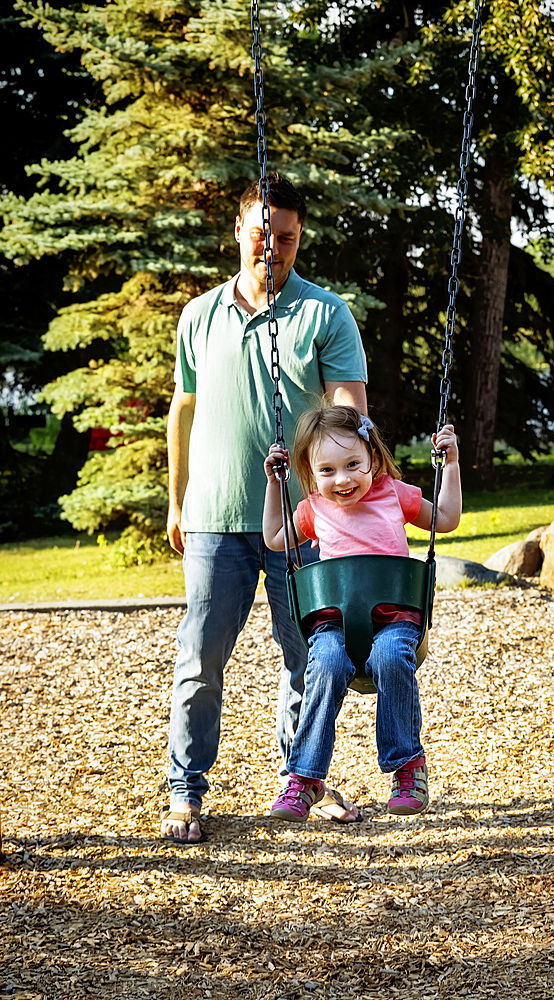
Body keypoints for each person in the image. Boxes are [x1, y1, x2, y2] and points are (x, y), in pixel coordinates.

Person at [161, 174, 367, 844]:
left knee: (307, 657)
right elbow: (182, 412)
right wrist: (176, 499)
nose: (272, 249)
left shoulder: (325, 314)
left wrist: (344, 496)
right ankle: (185, 793)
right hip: (214, 518)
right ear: (238, 230)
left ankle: (302, 781)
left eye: (287, 238)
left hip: (304, 523)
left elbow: (350, 414)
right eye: (261, 233)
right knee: (199, 660)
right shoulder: (200, 315)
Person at [262, 404, 461, 821]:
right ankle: (305, 778)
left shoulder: (394, 494)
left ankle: (408, 768)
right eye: (328, 470)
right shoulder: (312, 509)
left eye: (353, 464)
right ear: (313, 474)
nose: (343, 479)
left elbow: (445, 519)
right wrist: (274, 485)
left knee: (390, 657)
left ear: (372, 458)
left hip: (395, 618)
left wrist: (452, 464)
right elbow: (276, 538)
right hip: (333, 621)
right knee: (328, 662)